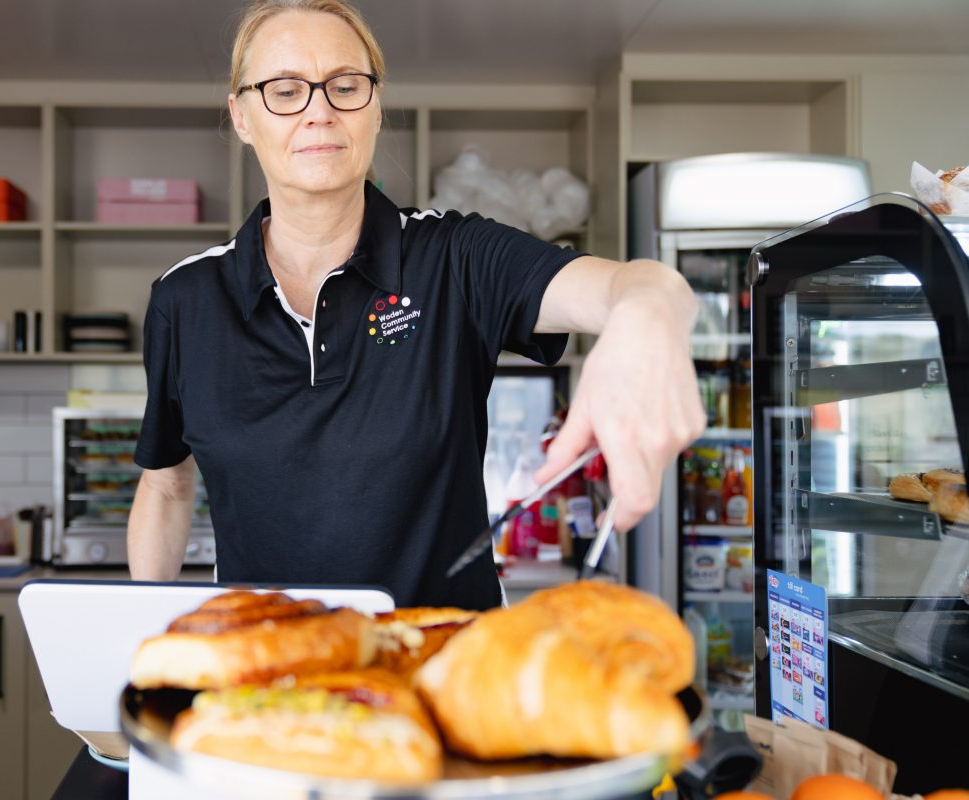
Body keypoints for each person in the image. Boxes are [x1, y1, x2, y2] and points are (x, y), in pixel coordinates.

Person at [128, 0, 704, 610]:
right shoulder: (184, 300)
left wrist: (647, 315)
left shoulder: (456, 256)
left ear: (374, 108)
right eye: (285, 90)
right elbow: (166, 489)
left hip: (447, 676)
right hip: (269, 679)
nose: (319, 111)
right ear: (241, 115)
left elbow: (634, 285)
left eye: (345, 86)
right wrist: (134, 645)